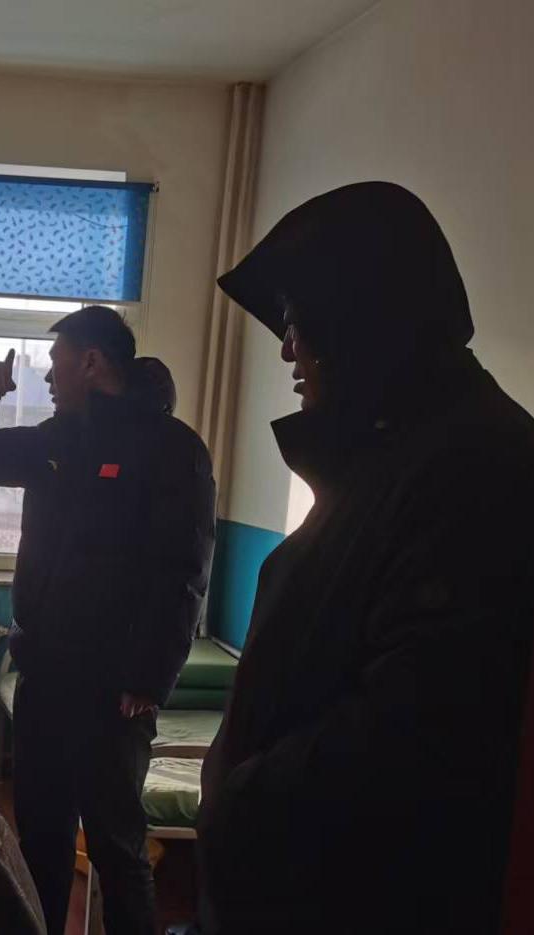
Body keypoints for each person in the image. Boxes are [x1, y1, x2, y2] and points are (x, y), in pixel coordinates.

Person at [198, 182, 534, 933]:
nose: (286, 349)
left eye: (295, 322)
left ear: (358, 318)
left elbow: (407, 737)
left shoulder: (477, 471)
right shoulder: (400, 455)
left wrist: (238, 804)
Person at [0, 308, 216, 935]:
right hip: (45, 673)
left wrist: (149, 677)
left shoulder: (173, 450)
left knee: (116, 844)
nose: (48, 375)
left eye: (56, 361)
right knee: (41, 836)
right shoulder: (59, 440)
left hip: (113, 690)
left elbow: (184, 572)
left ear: (91, 362)